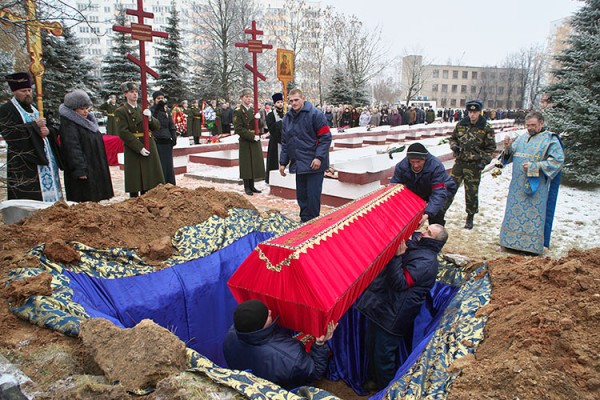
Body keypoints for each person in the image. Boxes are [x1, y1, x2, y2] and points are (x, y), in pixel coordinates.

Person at [356, 224, 448, 391]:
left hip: (393, 317)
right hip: (382, 308)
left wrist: (397, 257)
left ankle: (386, 392)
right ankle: (375, 382)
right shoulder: (420, 248)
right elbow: (407, 242)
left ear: (435, 242)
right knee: (371, 348)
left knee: (383, 358)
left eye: (428, 232)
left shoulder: (427, 262)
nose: (423, 232)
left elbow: (400, 283)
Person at [223, 299, 337, 390]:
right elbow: (315, 371)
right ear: (261, 326)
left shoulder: (230, 335)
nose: (270, 311)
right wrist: (320, 343)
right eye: (267, 315)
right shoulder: (290, 356)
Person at [499, 111, 564, 255]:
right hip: (516, 187)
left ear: (541, 123)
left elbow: (557, 161)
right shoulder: (522, 137)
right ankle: (509, 243)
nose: (530, 128)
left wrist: (536, 166)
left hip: (536, 188)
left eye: (533, 125)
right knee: (513, 215)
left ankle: (530, 247)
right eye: (528, 125)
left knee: (532, 216)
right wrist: (508, 147)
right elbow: (509, 157)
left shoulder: (550, 139)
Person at [0, 72, 63, 202]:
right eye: (23, 91)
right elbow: (10, 134)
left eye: (29, 90)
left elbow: (52, 127)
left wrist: (48, 131)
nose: (28, 93)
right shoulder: (6, 109)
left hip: (46, 159)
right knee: (31, 195)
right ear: (14, 91)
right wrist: (34, 125)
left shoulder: (35, 107)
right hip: (25, 161)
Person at [279, 88, 332, 222]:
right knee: (302, 196)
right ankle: (304, 221)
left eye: (296, 100)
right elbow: (285, 142)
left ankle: (313, 223)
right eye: (291, 101)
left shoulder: (316, 115)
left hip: (314, 163)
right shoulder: (287, 119)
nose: (294, 103)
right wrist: (283, 162)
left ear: (303, 98)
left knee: (312, 196)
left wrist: (319, 157)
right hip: (299, 162)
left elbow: (325, 137)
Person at [446, 99, 496, 229]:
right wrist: (454, 147)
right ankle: (441, 211)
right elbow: (452, 139)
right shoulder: (461, 124)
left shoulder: (486, 127)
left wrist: (484, 162)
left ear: (480, 112)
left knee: (471, 192)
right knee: (450, 188)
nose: (472, 115)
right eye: (470, 112)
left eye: (475, 112)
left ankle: (470, 216)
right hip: (460, 162)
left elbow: (491, 149)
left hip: (474, 165)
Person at [58, 89, 113, 202]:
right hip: (84, 171)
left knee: (95, 199)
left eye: (86, 108)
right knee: (85, 200)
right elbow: (72, 149)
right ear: (73, 110)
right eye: (81, 109)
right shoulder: (69, 125)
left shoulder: (89, 122)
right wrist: (79, 170)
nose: (85, 112)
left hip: (94, 167)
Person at [114, 81, 164, 197]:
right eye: (131, 92)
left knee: (149, 177)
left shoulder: (143, 109)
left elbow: (156, 126)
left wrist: (150, 118)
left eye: (136, 92)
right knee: (135, 179)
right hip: (134, 146)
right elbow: (123, 132)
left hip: (148, 143)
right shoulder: (121, 111)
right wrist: (139, 147)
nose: (135, 94)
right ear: (125, 94)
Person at [390, 142, 456, 226]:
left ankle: (436, 235)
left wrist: (427, 214)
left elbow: (438, 192)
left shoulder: (436, 166)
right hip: (419, 190)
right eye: (412, 162)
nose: (415, 165)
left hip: (443, 190)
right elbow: (394, 186)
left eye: (418, 161)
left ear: (425, 159)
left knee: (436, 214)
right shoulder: (402, 166)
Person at [233, 88, 265, 196]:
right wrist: (252, 136)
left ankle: (252, 185)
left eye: (249, 96)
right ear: (241, 98)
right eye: (246, 97)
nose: (249, 98)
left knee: (254, 163)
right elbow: (238, 128)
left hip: (254, 139)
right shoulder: (238, 111)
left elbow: (259, 125)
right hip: (246, 139)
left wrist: (258, 119)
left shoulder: (253, 110)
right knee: (246, 163)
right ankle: (247, 186)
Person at [150, 90, 177, 185]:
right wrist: (157, 109)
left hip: (166, 139)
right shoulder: (151, 110)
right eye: (158, 98)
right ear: (154, 100)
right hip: (157, 140)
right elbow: (152, 123)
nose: (161, 100)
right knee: (160, 164)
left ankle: (170, 182)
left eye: (162, 98)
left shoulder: (167, 110)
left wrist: (173, 135)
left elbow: (171, 123)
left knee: (168, 164)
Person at [265, 92, 284, 184]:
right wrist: (281, 123)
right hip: (275, 141)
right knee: (274, 161)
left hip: (286, 141)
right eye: (278, 102)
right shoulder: (270, 115)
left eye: (281, 102)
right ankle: (273, 180)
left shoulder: (286, 113)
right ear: (275, 104)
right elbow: (271, 128)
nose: (280, 104)